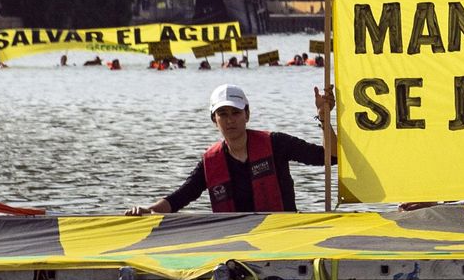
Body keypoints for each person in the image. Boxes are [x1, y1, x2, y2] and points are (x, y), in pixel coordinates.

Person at [124, 83, 335, 215]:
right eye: (223, 114)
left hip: (281, 236)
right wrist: (148, 210)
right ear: (214, 120)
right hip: (237, 243)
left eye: (235, 113)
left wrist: (324, 118)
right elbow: (179, 198)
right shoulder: (210, 162)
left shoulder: (277, 143)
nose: (230, 120)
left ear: (247, 115)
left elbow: (329, 157)